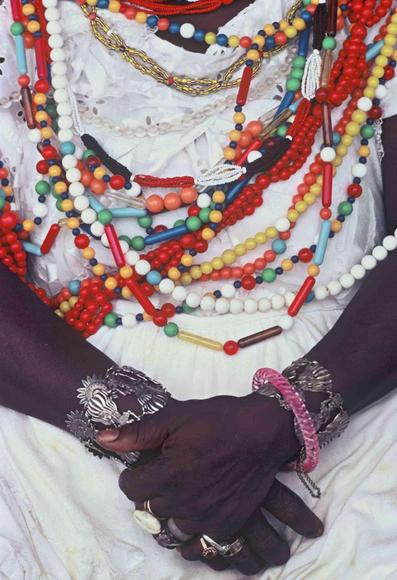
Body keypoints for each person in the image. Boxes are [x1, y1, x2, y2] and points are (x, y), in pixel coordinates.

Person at [0, 0, 396, 577]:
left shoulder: (370, 19)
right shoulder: (21, 21)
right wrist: (150, 439)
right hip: (48, 426)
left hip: (361, 420)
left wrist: (288, 420)